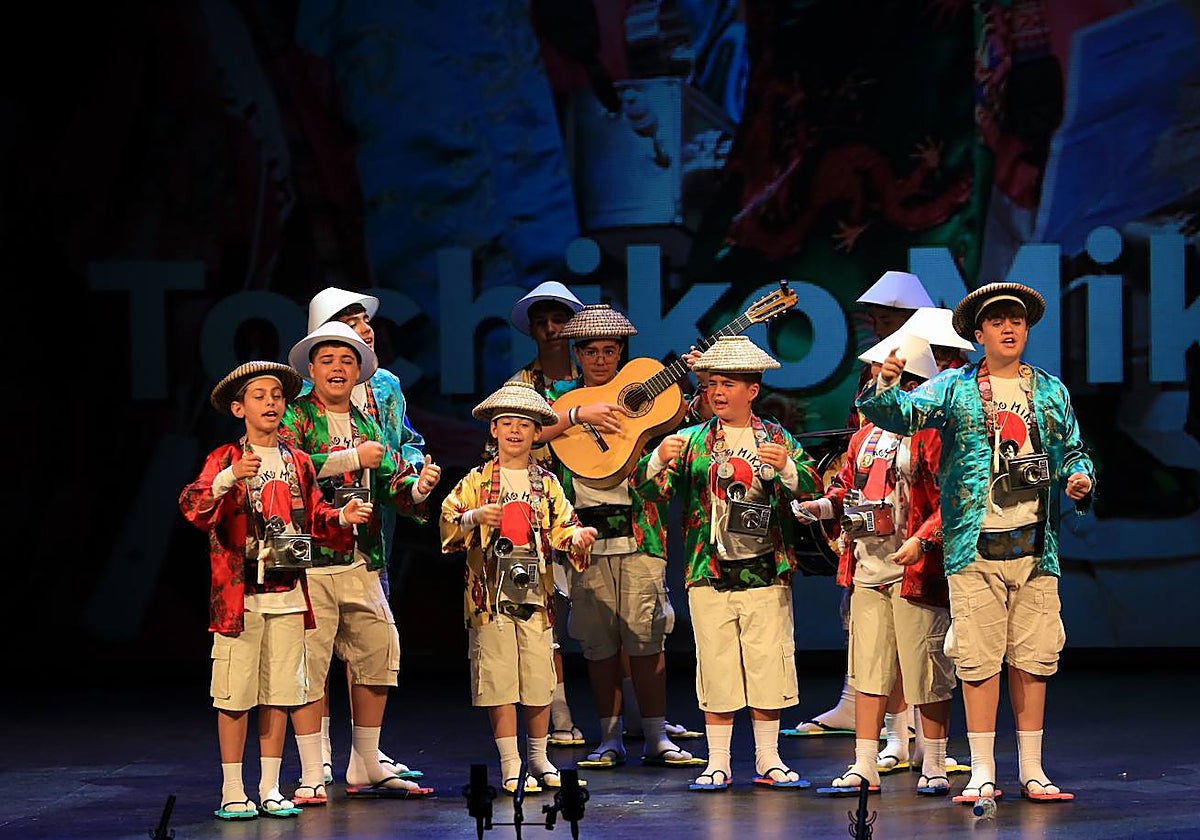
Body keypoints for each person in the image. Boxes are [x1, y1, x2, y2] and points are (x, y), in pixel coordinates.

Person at [857, 281, 1095, 805]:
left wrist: (1079, 478)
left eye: (1017, 320)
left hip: (1035, 550)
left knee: (1034, 660)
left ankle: (1032, 770)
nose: (1009, 328)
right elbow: (898, 415)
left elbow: (1075, 451)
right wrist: (886, 386)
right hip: (975, 548)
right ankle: (983, 770)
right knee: (979, 661)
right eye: (998, 321)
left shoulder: (1051, 391)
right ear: (979, 332)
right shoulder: (954, 387)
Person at [179, 361, 373, 820]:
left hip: (288, 597)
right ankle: (232, 789)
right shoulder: (224, 459)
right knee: (235, 695)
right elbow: (194, 505)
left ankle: (268, 786)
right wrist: (230, 478)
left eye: (277, 395)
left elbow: (316, 517)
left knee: (281, 694)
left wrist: (341, 520)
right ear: (238, 407)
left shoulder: (297, 461)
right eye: (259, 395)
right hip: (239, 602)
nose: (270, 402)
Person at [632, 335, 823, 791]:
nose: (717, 392)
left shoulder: (775, 437)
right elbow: (646, 493)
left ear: (752, 390)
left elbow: (815, 488)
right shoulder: (691, 440)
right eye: (711, 383)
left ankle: (769, 758)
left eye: (729, 383)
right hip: (708, 572)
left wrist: (790, 470)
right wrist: (656, 459)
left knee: (767, 665)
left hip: (765, 571)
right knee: (715, 665)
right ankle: (717, 762)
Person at [280, 320, 443, 803]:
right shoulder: (296, 417)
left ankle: (366, 760)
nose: (338, 369)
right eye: (328, 361)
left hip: (362, 558)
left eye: (347, 361)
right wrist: (352, 458)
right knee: (308, 664)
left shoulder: (368, 421)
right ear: (312, 369)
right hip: (308, 559)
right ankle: (313, 770)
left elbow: (391, 479)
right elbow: (288, 468)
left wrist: (417, 488)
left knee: (377, 654)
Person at [541, 303, 703, 771]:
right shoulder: (562, 400)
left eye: (609, 350)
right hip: (586, 541)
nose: (599, 360)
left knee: (648, 639)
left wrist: (688, 377)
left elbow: (684, 427)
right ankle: (610, 737)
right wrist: (576, 412)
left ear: (621, 353)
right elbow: (529, 434)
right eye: (590, 351)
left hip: (640, 536)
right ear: (577, 353)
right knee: (598, 645)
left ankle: (655, 735)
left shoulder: (651, 399)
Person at [799, 335, 957, 798]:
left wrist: (922, 541)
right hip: (867, 568)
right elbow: (847, 491)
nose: (879, 382)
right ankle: (864, 763)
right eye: (876, 373)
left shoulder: (930, 434)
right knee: (868, 669)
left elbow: (951, 500)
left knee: (925, 670)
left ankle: (932, 760)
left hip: (914, 570)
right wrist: (820, 509)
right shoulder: (864, 437)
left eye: (893, 378)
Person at [786, 271, 934, 740]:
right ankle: (866, 710)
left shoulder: (937, 374)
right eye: (873, 315)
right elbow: (859, 441)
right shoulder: (872, 374)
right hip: (872, 514)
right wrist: (831, 503)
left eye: (885, 315)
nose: (875, 322)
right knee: (864, 616)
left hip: (917, 520)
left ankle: (919, 735)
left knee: (918, 630)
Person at [440, 379, 599, 794]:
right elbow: (449, 521)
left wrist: (578, 537)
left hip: (535, 598)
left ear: (535, 433)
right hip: (489, 599)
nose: (514, 430)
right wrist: (475, 518)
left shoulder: (546, 484)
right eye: (506, 423)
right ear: (493, 430)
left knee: (537, 676)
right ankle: (511, 765)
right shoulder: (476, 480)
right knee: (498, 679)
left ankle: (539, 758)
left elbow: (565, 525)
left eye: (524, 425)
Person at [508, 280, 587, 746]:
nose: (552, 329)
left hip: (597, 504)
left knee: (611, 621)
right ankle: (559, 716)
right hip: (542, 512)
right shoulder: (521, 386)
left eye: (559, 320)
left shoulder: (594, 377)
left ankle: (636, 722)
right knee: (548, 618)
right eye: (543, 323)